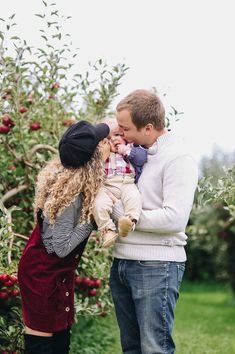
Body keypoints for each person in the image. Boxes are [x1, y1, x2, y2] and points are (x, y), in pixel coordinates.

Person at [109, 90, 198, 354]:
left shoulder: (177, 158)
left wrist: (122, 215)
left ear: (148, 128)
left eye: (125, 129)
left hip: (156, 265)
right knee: (132, 348)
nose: (120, 134)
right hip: (122, 263)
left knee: (154, 349)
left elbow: (174, 218)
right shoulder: (134, 153)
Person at [17, 120, 110, 354]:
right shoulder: (71, 195)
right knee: (42, 346)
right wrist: (92, 220)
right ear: (93, 157)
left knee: (60, 342)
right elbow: (60, 247)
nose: (109, 144)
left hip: (53, 272)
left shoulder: (71, 180)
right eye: (103, 142)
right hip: (42, 275)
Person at [92, 117, 147, 248]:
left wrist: (126, 150)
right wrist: (102, 155)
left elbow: (142, 157)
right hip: (107, 186)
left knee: (134, 198)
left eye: (117, 135)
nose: (114, 140)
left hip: (127, 182)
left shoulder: (130, 149)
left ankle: (129, 222)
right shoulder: (102, 154)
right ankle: (107, 231)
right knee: (98, 204)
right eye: (108, 139)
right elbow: (93, 171)